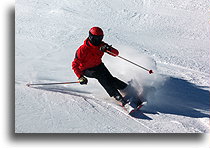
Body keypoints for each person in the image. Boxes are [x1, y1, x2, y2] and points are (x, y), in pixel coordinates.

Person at [72, 27, 129, 106]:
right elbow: (75, 64)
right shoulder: (83, 49)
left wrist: (108, 48)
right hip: (86, 69)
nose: (98, 40)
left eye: (100, 38)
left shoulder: (101, 45)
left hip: (99, 65)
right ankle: (117, 96)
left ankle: (127, 89)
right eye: (96, 38)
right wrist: (80, 76)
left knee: (110, 79)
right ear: (91, 37)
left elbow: (116, 53)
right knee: (100, 76)